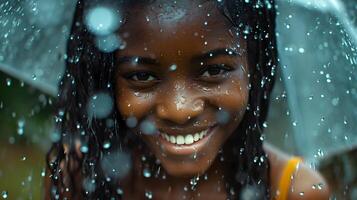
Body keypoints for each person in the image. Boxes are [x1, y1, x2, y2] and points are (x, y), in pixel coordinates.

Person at [45, 0, 330, 199]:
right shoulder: (78, 178)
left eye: (214, 70)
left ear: (256, 67)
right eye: (142, 76)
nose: (179, 110)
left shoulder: (293, 190)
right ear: (106, 79)